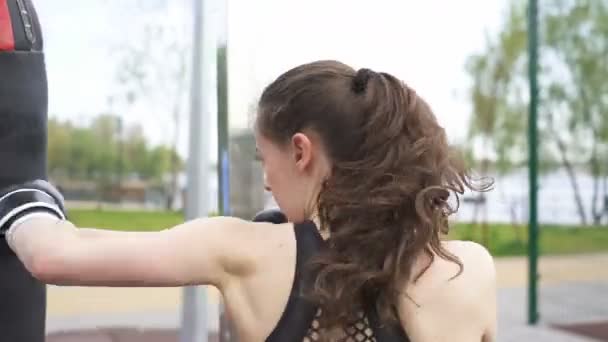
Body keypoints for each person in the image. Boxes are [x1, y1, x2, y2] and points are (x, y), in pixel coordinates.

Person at [0, 60, 496, 341]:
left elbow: (52, 255)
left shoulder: (243, 249)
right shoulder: (469, 268)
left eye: (264, 158)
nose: (266, 182)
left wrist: (20, 191)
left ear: (300, 150)